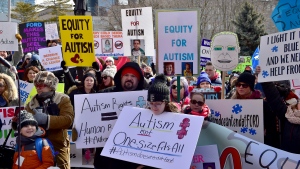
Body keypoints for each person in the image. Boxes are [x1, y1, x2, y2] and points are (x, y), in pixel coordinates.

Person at [94, 62, 145, 169]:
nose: (129, 78)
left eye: (133, 76)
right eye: (126, 75)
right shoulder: (104, 95)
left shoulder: (146, 99)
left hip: (133, 160)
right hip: (107, 159)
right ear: (120, 77)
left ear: (139, 80)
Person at [24, 71, 74, 169]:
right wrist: (17, 122)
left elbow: (68, 120)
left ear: (50, 86)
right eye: (36, 85)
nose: (38, 88)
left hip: (57, 143)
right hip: (37, 144)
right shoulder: (31, 103)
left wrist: (46, 119)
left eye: (41, 85)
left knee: (61, 166)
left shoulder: (62, 99)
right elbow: (25, 122)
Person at [136, 74, 179, 169]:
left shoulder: (176, 119)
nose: (154, 107)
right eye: (151, 103)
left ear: (166, 102)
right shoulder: (143, 118)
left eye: (158, 104)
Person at [230, 70, 280, 148]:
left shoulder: (262, 105)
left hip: (257, 146)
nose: (241, 87)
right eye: (238, 84)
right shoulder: (231, 103)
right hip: (237, 144)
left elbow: (271, 129)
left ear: (251, 87)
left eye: (245, 85)